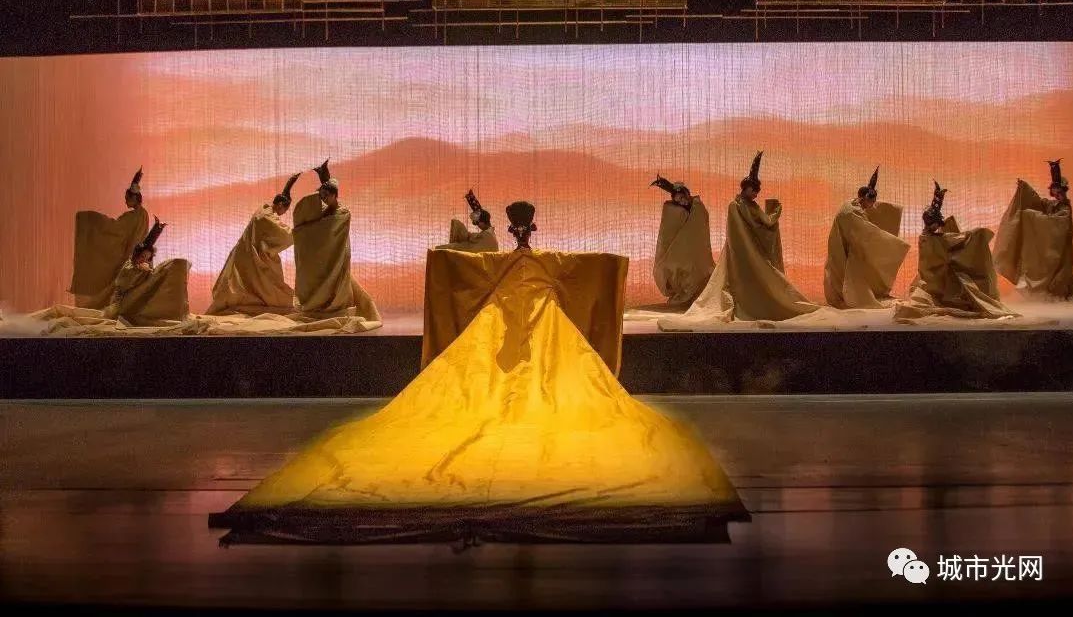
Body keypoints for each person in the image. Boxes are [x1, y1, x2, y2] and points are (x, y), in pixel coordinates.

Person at [211, 201, 746, 546]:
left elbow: (470, 271)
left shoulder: (519, 261)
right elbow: (583, 273)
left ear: (518, 228)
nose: (519, 232)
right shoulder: (533, 261)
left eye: (519, 228)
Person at [676, 151, 818, 323]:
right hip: (743, 253)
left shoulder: (744, 205)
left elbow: (761, 224)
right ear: (747, 188)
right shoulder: (738, 206)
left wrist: (771, 217)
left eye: (757, 192)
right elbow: (755, 226)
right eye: (754, 191)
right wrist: (776, 212)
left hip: (745, 252)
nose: (756, 194)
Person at [895, 182, 1015, 320]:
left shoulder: (928, 237)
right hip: (934, 281)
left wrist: (938, 201)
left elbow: (948, 240)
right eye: (937, 224)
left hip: (932, 278)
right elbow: (953, 241)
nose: (938, 226)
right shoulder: (932, 239)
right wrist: (973, 235)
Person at [291, 159, 380, 321]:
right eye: (322, 196)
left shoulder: (342, 213)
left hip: (338, 254)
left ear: (334, 195)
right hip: (327, 255)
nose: (324, 198)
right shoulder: (325, 211)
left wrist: (301, 232)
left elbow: (325, 230)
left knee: (337, 282)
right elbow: (318, 229)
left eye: (326, 195)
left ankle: (336, 307)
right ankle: (320, 304)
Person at [206, 172, 302, 315]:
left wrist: (289, 185)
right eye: (284, 210)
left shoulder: (263, 210)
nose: (283, 213)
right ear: (280, 205)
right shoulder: (266, 217)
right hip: (252, 256)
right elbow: (284, 234)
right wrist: (299, 233)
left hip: (248, 253)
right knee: (262, 285)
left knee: (249, 283)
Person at [823, 167, 910, 309]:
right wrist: (893, 243)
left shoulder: (851, 204)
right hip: (843, 245)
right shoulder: (853, 212)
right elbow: (868, 232)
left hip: (843, 243)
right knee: (845, 272)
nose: (873, 205)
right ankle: (846, 298)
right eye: (872, 201)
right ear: (864, 198)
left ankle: (843, 297)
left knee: (842, 270)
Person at [993, 160, 1073, 299]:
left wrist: (1031, 216)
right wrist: (1024, 189)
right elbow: (1038, 202)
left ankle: (1056, 293)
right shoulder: (1053, 204)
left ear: (1063, 191)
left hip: (1059, 251)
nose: (1057, 194)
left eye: (1059, 191)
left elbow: (1055, 224)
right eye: (1055, 191)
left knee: (1059, 273)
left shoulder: (1065, 209)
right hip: (1048, 250)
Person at [68, 167, 150, 309]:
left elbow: (115, 230)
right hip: (138, 257)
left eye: (127, 199)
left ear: (134, 198)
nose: (125, 202)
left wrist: (91, 220)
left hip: (133, 257)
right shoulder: (141, 214)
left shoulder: (134, 216)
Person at [103, 217, 191, 325]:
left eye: (147, 258)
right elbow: (124, 283)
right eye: (142, 256)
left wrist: (158, 228)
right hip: (124, 299)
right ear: (137, 254)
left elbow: (148, 243)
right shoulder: (130, 266)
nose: (144, 259)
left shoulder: (143, 265)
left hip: (137, 295)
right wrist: (139, 270)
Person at [649, 174, 714, 306]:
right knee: (675, 267)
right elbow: (668, 231)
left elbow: (700, 225)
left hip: (695, 248)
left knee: (696, 269)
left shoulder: (698, 207)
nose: (682, 202)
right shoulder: (675, 211)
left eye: (683, 198)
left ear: (687, 194)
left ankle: (695, 294)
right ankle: (683, 293)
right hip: (680, 248)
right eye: (678, 201)